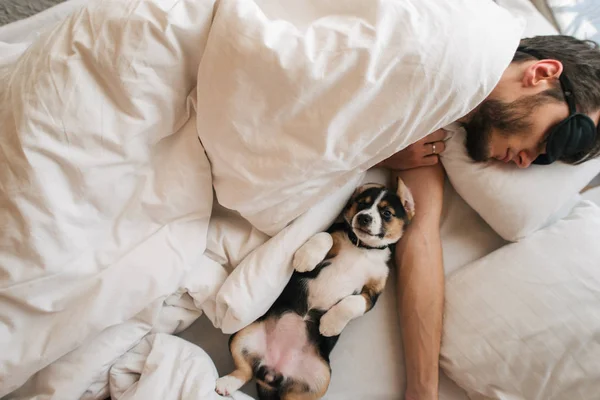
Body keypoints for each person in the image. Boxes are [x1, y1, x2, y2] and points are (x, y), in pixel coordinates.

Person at [376, 35, 600, 400]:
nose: (530, 161)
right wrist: (378, 148)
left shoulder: (433, 134)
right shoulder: (448, 33)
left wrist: (423, 390)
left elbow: (422, 238)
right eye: (555, 140)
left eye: (548, 160)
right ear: (542, 73)